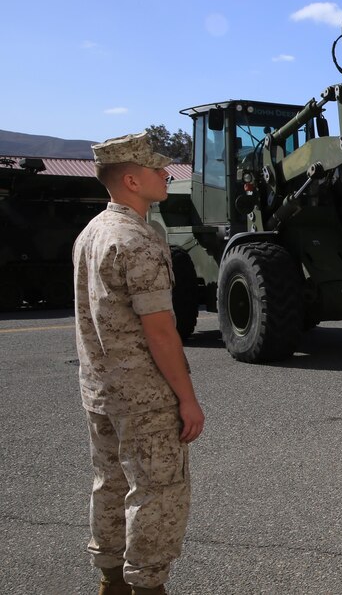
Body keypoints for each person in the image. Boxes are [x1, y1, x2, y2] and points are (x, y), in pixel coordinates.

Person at [74, 131, 205, 595]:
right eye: (156, 169)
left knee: (110, 482)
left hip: (100, 391)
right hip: (144, 396)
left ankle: (111, 581)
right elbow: (161, 332)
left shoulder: (92, 232)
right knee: (157, 491)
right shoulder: (137, 240)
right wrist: (187, 400)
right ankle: (148, 587)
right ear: (131, 179)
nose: (165, 174)